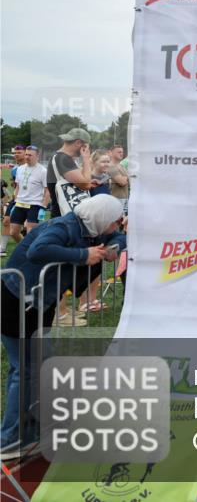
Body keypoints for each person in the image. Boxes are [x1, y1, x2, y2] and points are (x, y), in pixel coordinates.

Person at [0, 194, 125, 460]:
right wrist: (83, 255)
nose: (116, 227)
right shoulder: (63, 226)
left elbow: (121, 239)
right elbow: (38, 250)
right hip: (15, 300)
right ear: (102, 217)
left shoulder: (91, 230)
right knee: (25, 369)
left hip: (38, 304)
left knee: (38, 366)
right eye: (114, 222)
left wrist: (112, 246)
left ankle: (30, 431)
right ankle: (9, 439)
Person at [46, 127, 93, 217]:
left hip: (62, 214)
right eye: (86, 146)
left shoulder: (64, 158)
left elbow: (84, 178)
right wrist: (86, 159)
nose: (87, 149)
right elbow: (85, 185)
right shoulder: (63, 159)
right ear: (78, 143)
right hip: (64, 217)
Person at [9, 146, 49, 243]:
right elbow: (18, 186)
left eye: (30, 155)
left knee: (30, 233)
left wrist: (43, 207)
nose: (27, 157)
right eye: (26, 154)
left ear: (37, 156)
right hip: (19, 204)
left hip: (34, 205)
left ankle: (31, 253)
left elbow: (47, 190)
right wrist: (15, 201)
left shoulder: (43, 171)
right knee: (13, 233)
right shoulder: (20, 169)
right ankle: (24, 248)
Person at [107, 144, 130, 210]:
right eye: (119, 152)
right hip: (116, 198)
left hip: (125, 197)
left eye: (122, 152)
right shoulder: (110, 166)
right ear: (111, 153)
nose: (121, 154)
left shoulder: (121, 165)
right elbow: (122, 182)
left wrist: (125, 177)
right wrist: (127, 177)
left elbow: (129, 181)